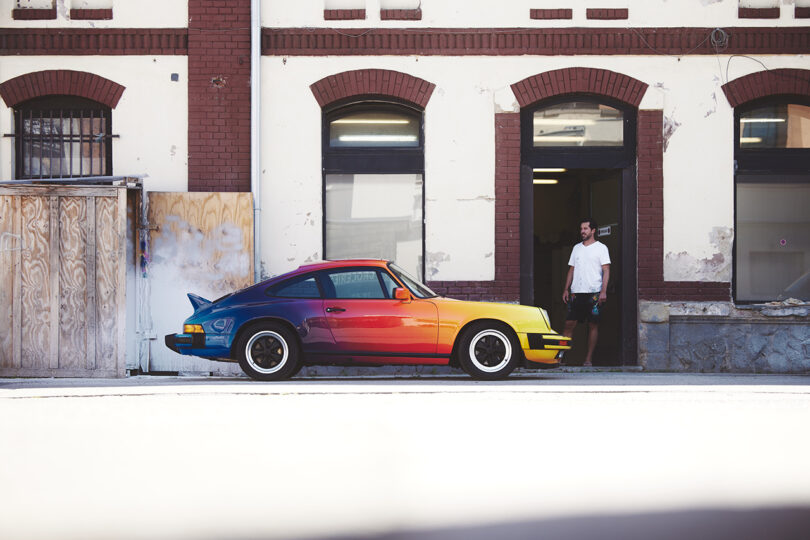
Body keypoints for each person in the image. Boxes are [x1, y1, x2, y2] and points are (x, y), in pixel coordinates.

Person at [561, 219, 610, 367]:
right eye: (581, 228)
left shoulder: (601, 248)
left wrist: (603, 291)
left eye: (585, 228)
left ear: (593, 230)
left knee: (593, 325)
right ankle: (560, 358)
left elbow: (606, 270)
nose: (582, 231)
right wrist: (566, 289)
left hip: (594, 292)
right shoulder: (576, 248)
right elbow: (572, 269)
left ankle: (588, 359)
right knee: (569, 324)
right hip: (576, 292)